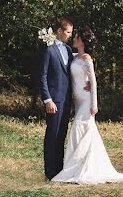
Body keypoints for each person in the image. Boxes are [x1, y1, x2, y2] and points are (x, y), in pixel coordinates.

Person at [51, 28, 123, 185]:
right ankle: (77, 165)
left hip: (87, 101)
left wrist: (94, 104)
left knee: (78, 129)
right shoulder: (75, 56)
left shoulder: (87, 59)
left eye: (76, 37)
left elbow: (93, 82)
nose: (74, 38)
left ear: (82, 40)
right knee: (82, 132)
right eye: (73, 36)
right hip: (78, 101)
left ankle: (80, 167)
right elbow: (61, 57)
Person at [39, 16, 75, 180]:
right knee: (52, 134)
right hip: (54, 100)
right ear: (59, 31)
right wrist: (48, 100)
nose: (70, 35)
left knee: (61, 135)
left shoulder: (68, 50)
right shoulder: (48, 49)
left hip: (66, 100)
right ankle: (49, 172)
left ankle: (59, 170)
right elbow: (43, 76)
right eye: (68, 32)